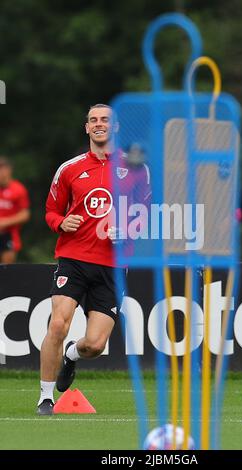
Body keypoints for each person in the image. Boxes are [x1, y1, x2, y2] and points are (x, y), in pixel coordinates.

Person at [37, 104, 151, 415]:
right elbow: (50, 210)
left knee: (95, 345)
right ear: (87, 128)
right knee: (58, 323)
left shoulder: (137, 168)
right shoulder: (69, 168)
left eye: (105, 120)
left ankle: (72, 355)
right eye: (93, 120)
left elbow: (146, 215)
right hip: (73, 258)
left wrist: (127, 230)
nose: (99, 124)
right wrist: (61, 223)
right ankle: (46, 398)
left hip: (112, 266)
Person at [0, 157, 30, 263]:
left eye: (2, 170)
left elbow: (24, 214)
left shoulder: (18, 189)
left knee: (6, 269)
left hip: (9, 235)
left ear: (8, 170)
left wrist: (4, 223)